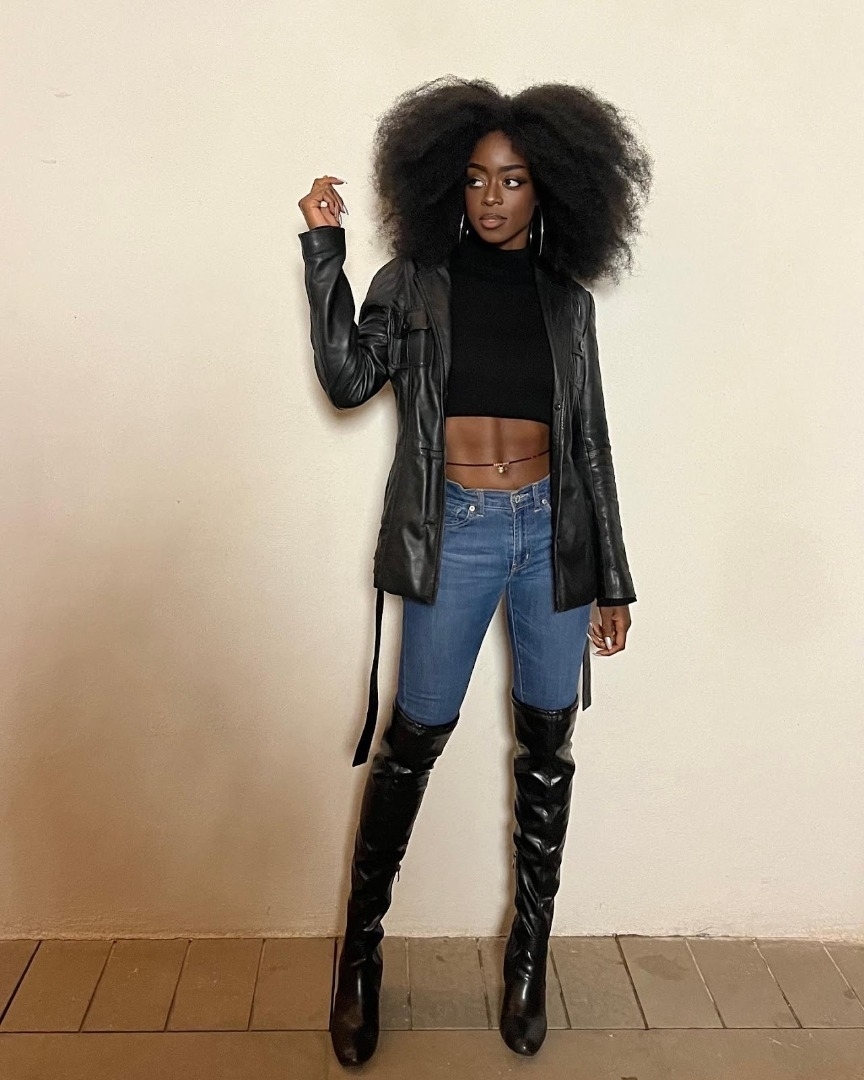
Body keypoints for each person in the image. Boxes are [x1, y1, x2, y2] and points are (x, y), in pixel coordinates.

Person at [297, 76, 652, 1067]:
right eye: (476, 178)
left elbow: (592, 444)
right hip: (454, 532)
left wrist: (612, 577)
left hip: (553, 538)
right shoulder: (414, 283)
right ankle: (360, 956)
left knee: (548, 747)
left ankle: (528, 956)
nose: (493, 197)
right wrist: (325, 252)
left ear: (552, 189)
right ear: (449, 184)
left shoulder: (567, 302)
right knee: (414, 741)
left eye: (515, 179)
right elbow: (347, 379)